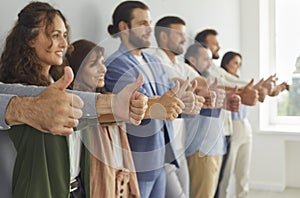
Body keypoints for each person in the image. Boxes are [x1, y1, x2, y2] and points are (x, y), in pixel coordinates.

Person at [0, 2, 147, 198]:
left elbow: (78, 107)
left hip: (76, 189)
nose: (63, 44)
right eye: (55, 35)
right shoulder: (16, 88)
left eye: (64, 35)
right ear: (30, 39)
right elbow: (40, 98)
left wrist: (125, 105)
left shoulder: (58, 83)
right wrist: (114, 103)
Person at [104, 1, 199, 197]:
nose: (150, 29)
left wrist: (186, 101)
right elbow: (137, 107)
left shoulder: (153, 61)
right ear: (124, 27)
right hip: (137, 162)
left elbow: (169, 98)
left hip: (161, 157)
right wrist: (169, 102)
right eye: (143, 23)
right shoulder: (115, 65)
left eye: (150, 22)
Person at [64, 39, 140, 197]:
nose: (103, 69)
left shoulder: (108, 99)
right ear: (76, 70)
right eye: (93, 64)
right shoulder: (78, 108)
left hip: (120, 184)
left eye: (102, 62)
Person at [152, 16, 208, 198]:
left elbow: (203, 85)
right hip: (163, 150)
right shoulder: (154, 61)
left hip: (180, 146)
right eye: (179, 35)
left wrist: (195, 89)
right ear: (163, 37)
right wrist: (193, 89)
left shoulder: (181, 65)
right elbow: (180, 84)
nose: (184, 39)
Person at [184, 43, 240, 198]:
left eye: (210, 59)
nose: (210, 64)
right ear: (192, 60)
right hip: (201, 150)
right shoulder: (189, 81)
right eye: (205, 59)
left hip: (215, 148)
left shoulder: (208, 79)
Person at [217, 51, 252, 198]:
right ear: (226, 63)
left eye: (239, 63)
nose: (238, 66)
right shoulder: (222, 79)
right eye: (235, 62)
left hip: (245, 126)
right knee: (227, 172)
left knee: (243, 172)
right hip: (232, 128)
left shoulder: (239, 82)